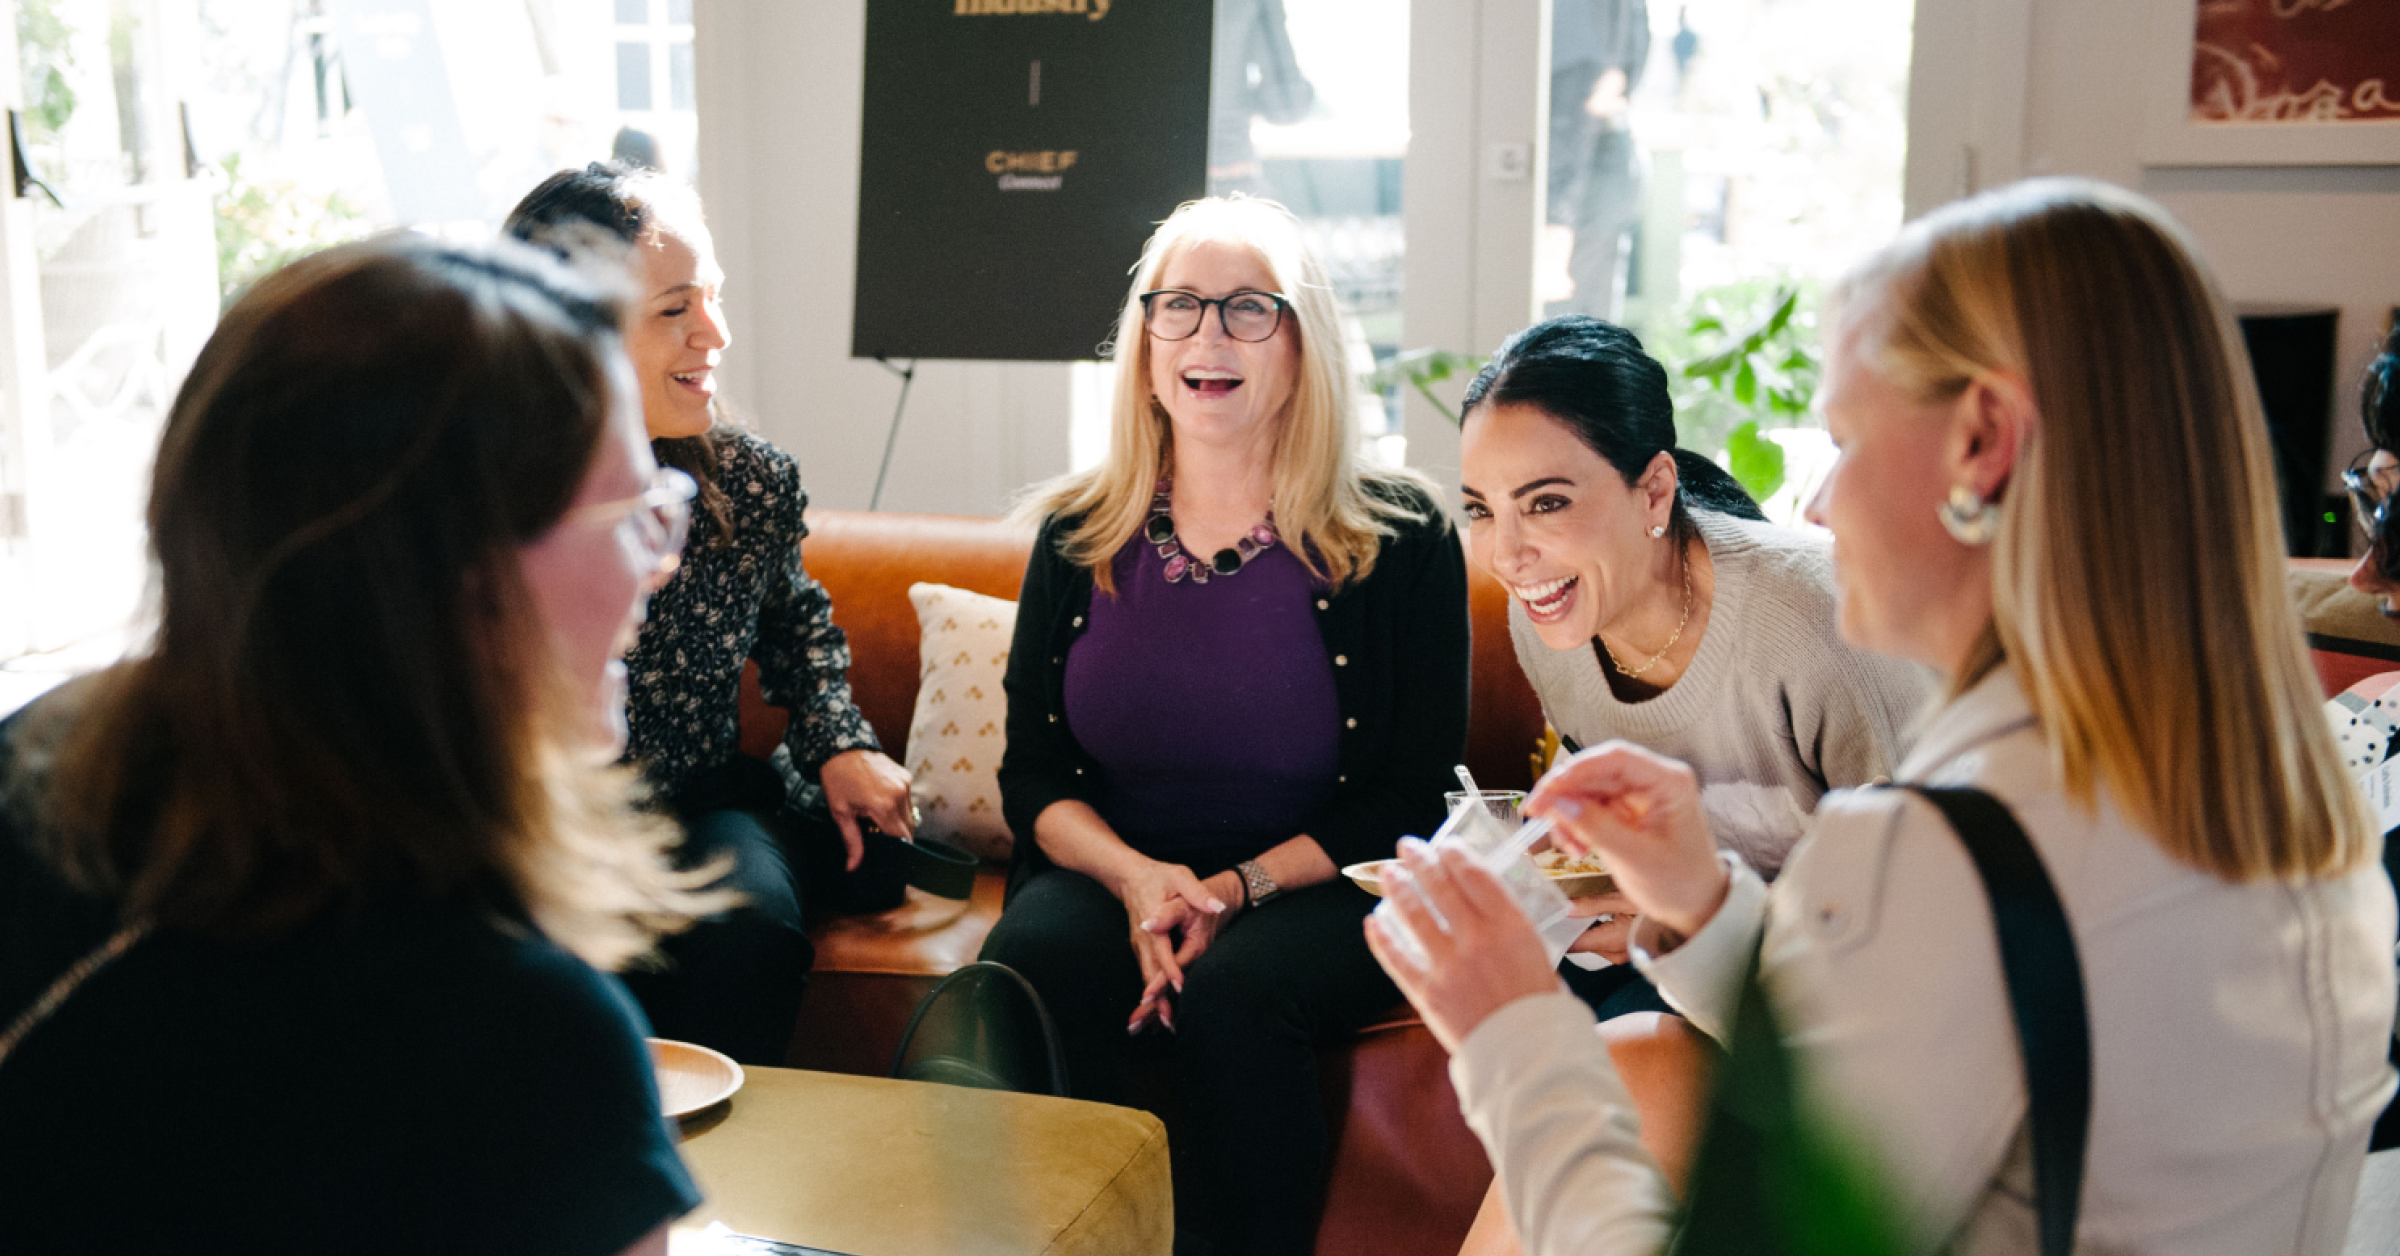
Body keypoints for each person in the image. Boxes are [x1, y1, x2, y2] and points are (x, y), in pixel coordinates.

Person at [1370, 178, 2398, 1255]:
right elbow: (1886, 1071)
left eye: (1848, 438)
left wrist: (1510, 1033)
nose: (1815, 505)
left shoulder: (1944, 845)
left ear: (1982, 442)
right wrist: (1704, 899)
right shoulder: (2292, 799)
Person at [0, 235, 709, 1254]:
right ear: (463, 568)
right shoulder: (516, 1040)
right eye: (632, 509)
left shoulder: (35, 768)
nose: (657, 563)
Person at [980, 194, 1469, 1256]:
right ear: (1145, 345)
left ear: (1305, 345)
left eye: (1250, 308)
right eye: (1181, 307)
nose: (1209, 334)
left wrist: (1234, 887)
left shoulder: (1404, 536)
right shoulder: (1076, 533)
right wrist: (1140, 879)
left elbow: (1408, 792)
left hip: (1325, 883)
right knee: (1030, 956)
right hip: (1114, 866)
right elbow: (1035, 778)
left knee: (1239, 988)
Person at [1449, 315, 1930, 1250]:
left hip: (1839, 996)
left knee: (1619, 1068)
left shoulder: (1818, 621)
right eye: (1480, 508)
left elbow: (1923, 918)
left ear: (1654, 488)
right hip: (1686, 956)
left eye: (1545, 503)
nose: (1507, 555)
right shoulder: (1550, 628)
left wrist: (1673, 918)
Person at [505, 163, 916, 1067]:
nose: (715, 333)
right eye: (674, 309)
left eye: (715, 298)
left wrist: (839, 740)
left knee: (749, 930)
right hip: (529, 816)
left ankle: (731, 1184)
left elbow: (795, 621)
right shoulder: (477, 493)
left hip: (699, 800)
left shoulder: (750, 479)